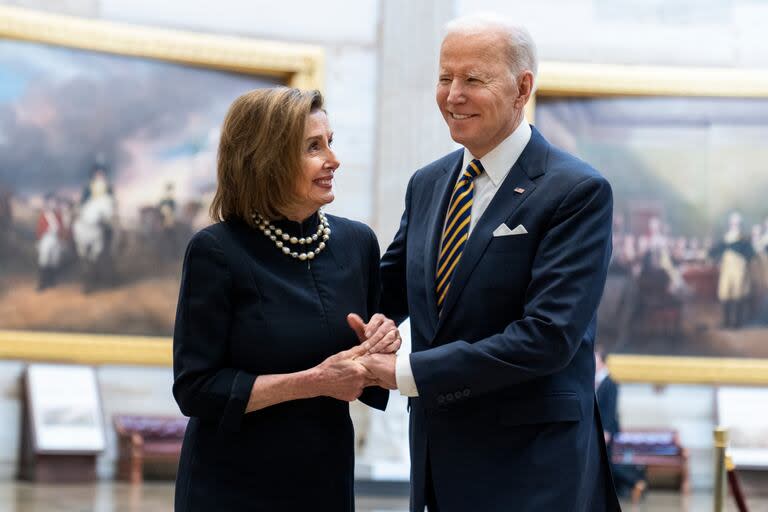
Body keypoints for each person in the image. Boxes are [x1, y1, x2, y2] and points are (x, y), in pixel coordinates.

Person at [357, 14, 621, 511]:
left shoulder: (577, 191)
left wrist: (404, 372)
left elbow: (547, 337)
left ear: (522, 88)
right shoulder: (428, 183)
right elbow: (389, 292)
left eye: (473, 79)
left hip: (531, 472)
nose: (453, 94)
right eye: (444, 77)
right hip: (438, 462)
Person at [172, 87, 399, 511]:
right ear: (267, 157)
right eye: (314, 147)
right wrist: (313, 381)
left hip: (324, 482)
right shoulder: (215, 251)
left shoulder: (357, 243)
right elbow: (195, 389)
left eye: (330, 142)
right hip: (231, 486)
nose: (334, 159)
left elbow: (364, 369)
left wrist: (382, 343)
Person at [595, 348, 647, 503]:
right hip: (601, 430)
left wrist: (606, 431)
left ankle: (635, 481)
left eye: (595, 359)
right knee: (606, 463)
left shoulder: (610, 382)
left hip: (607, 431)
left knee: (609, 463)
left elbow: (610, 410)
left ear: (602, 362)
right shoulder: (597, 381)